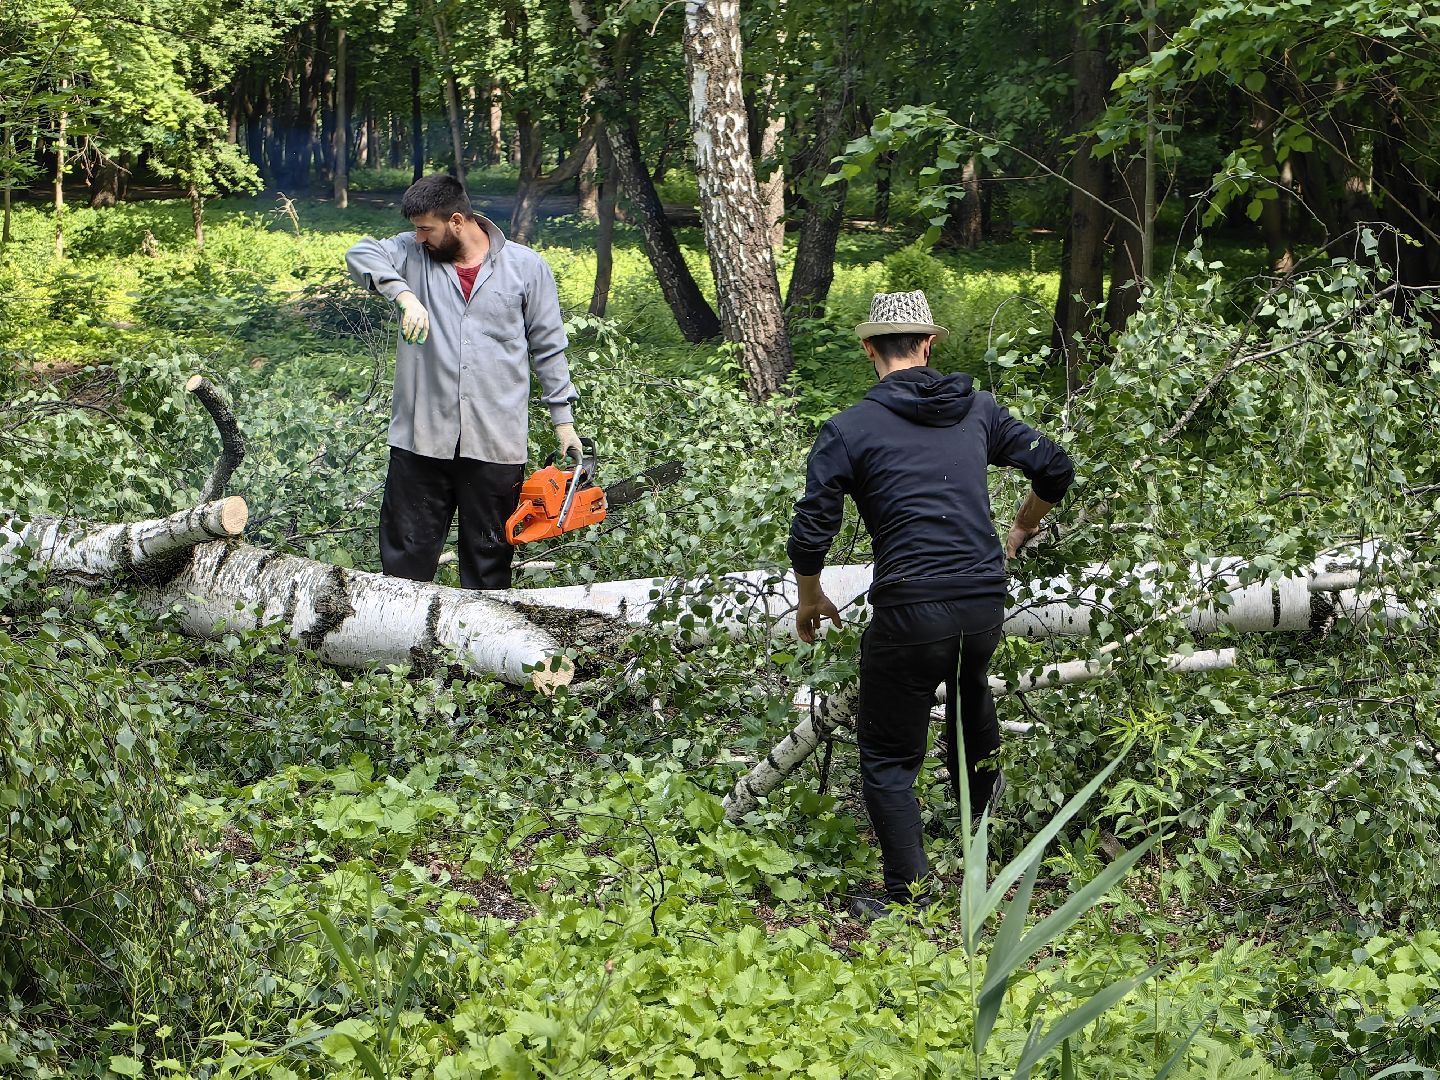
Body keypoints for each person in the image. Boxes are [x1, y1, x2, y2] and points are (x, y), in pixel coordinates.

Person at [787, 290, 1074, 922]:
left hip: (911, 609)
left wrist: (810, 596)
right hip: (982, 603)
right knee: (971, 705)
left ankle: (910, 901)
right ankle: (982, 870)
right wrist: (1023, 527)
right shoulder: (980, 411)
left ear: (869, 349)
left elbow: (812, 530)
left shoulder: (848, 429)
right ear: (928, 344)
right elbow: (1054, 467)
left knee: (890, 758)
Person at [345, 173, 584, 590]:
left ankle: (483, 633)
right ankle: (398, 630)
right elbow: (359, 253)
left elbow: (548, 347)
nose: (419, 237)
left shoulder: (526, 267)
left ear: (457, 221)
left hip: (496, 441)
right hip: (421, 440)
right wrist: (405, 295)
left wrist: (563, 423)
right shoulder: (412, 253)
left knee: (489, 561)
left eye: (427, 229)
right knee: (404, 563)